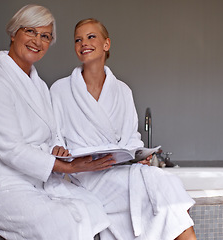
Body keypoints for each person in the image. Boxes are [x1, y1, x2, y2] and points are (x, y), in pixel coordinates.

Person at [0, 6, 115, 240]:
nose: (37, 41)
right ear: (14, 34)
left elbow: (52, 132)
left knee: (91, 210)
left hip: (30, 180)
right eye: (30, 31)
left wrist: (58, 149)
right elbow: (9, 148)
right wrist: (68, 167)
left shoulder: (39, 85)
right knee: (62, 223)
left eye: (45, 36)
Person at [50, 18, 197, 240]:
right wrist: (58, 149)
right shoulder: (60, 90)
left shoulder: (122, 90)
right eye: (78, 39)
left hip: (120, 168)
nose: (84, 43)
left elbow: (131, 138)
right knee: (163, 195)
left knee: (168, 182)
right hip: (88, 175)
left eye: (91, 37)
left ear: (106, 44)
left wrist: (139, 155)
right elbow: (55, 136)